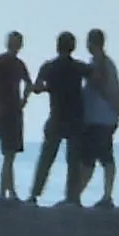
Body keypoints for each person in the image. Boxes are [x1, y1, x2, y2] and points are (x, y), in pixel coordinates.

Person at [30, 34, 86, 203]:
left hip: (56, 115)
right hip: (76, 116)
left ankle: (35, 194)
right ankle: (72, 197)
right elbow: (97, 80)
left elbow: (37, 87)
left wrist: (49, 88)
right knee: (74, 160)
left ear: (57, 46)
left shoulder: (49, 67)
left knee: (46, 158)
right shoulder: (79, 67)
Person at [74, 31, 119, 208]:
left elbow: (101, 85)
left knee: (95, 158)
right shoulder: (103, 62)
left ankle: (95, 196)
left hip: (99, 118)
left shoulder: (101, 63)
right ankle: (88, 195)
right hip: (101, 117)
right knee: (100, 157)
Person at [0, 34, 33, 198]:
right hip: (9, 110)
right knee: (9, 153)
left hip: (6, 110)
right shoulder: (12, 63)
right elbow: (29, 84)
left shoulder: (1, 62)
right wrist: (23, 100)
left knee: (9, 153)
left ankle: (10, 191)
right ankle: (4, 192)